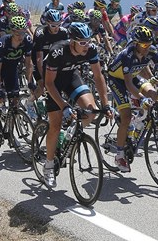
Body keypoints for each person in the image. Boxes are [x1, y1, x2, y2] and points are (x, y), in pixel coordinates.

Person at [41, 22, 111, 188]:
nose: (86, 45)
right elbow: (49, 83)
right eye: (82, 42)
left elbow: (98, 76)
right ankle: (49, 165)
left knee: (92, 111)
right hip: (54, 84)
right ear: (72, 41)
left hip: (71, 77)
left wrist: (106, 104)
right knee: (55, 126)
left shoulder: (91, 49)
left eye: (88, 40)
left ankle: (71, 132)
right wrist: (64, 106)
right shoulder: (57, 51)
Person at [106, 26, 158, 172]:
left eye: (149, 44)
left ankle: (137, 123)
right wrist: (141, 97)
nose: (147, 48)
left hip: (133, 77)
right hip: (117, 80)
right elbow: (127, 84)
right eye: (144, 45)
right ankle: (119, 155)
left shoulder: (151, 51)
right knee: (126, 116)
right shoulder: (127, 54)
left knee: (154, 94)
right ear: (136, 43)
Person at [0, 16, 33, 130]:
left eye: (23, 33)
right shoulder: (3, 42)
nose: (21, 36)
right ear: (12, 32)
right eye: (18, 34)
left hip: (12, 69)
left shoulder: (27, 40)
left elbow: (28, 63)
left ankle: (10, 129)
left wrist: (30, 82)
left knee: (15, 98)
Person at [29, 9, 69, 119]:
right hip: (40, 61)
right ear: (47, 23)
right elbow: (38, 58)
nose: (56, 28)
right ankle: (30, 102)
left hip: (54, 60)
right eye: (52, 25)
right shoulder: (40, 33)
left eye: (58, 25)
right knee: (42, 86)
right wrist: (44, 79)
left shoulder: (63, 32)